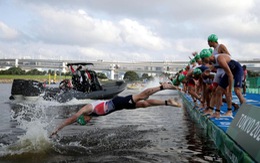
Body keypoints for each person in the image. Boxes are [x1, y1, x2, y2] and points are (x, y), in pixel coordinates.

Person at [50, 83, 181, 137]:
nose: (88, 121)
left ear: (83, 116)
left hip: (118, 102)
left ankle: (163, 86)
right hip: (120, 106)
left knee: (143, 95)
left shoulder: (87, 109)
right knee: (144, 104)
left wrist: (58, 129)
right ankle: (166, 102)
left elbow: (71, 119)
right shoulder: (91, 115)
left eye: (85, 121)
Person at [200, 49, 246, 118]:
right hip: (230, 70)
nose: (203, 61)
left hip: (236, 69)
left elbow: (230, 75)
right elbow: (213, 69)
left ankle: (243, 110)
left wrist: (230, 90)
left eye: (203, 59)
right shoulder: (212, 61)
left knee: (237, 91)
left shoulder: (219, 59)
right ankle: (217, 113)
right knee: (218, 90)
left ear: (208, 56)